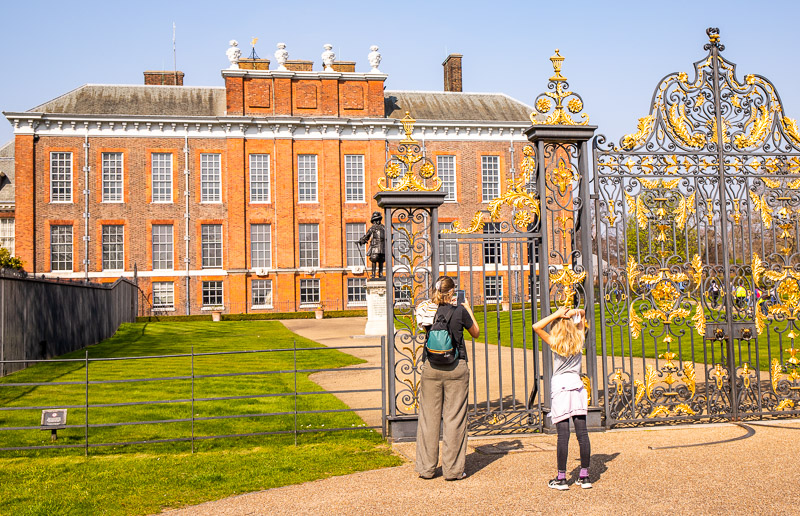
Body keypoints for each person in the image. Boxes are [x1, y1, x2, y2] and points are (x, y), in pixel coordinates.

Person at [414, 276, 479, 481]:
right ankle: (453, 471)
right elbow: (475, 333)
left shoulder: (426, 310)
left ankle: (426, 468)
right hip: (456, 367)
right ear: (452, 292)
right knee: (455, 418)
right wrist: (467, 308)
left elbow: (423, 328)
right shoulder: (460, 311)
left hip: (431, 367)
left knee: (429, 419)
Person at [533, 305, 592, 490]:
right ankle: (584, 476)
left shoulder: (555, 341)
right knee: (582, 434)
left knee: (563, 435)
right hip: (576, 385)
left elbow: (536, 326)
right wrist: (575, 313)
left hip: (560, 386)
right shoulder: (579, 338)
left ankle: (561, 478)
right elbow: (583, 314)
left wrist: (557, 314)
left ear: (558, 326)